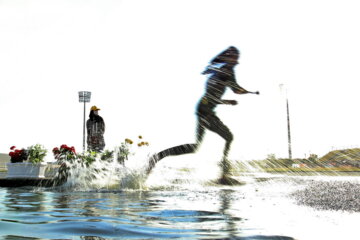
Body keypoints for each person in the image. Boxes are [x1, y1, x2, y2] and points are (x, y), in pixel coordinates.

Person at [146, 46, 259, 182]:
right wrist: (227, 102)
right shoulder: (219, 73)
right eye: (233, 58)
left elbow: (235, 89)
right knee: (221, 139)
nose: (235, 61)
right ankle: (222, 174)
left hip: (208, 111)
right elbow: (210, 97)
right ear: (227, 58)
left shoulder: (229, 72)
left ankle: (159, 156)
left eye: (236, 58)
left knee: (201, 145)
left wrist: (245, 91)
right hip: (204, 111)